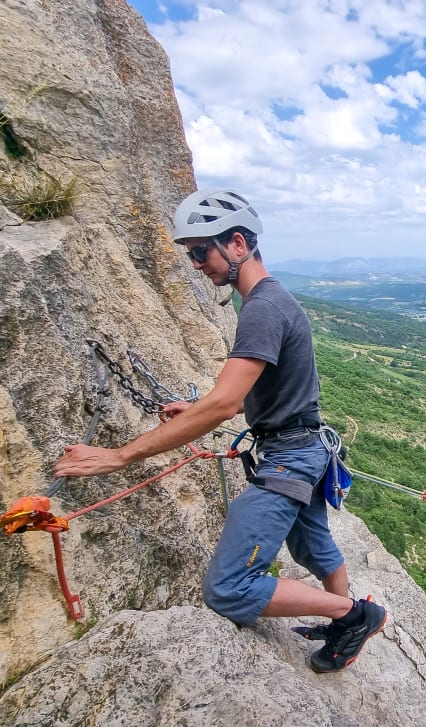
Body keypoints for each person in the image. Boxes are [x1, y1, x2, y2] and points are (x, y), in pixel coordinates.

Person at [54, 188, 386, 673]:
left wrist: (119, 456)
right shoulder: (267, 303)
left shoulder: (262, 308)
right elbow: (252, 390)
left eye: (199, 251)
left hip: (289, 458)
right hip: (304, 447)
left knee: (229, 588)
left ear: (236, 243)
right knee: (311, 547)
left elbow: (226, 402)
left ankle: (356, 616)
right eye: (191, 253)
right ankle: (344, 624)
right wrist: (195, 407)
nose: (195, 263)